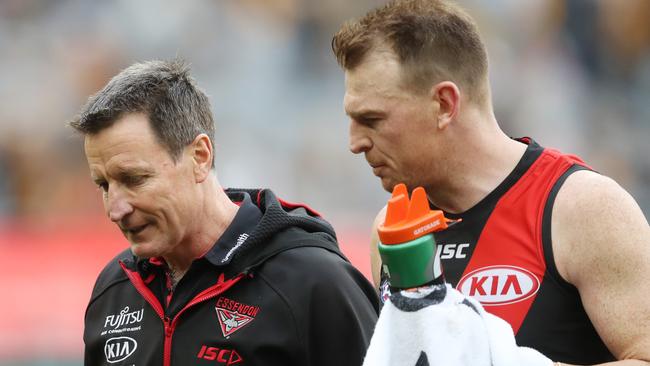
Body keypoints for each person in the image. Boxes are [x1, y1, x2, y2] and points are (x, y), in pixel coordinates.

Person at [331, 0, 650, 364]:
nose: (354, 143)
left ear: (444, 104)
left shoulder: (581, 207)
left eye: (372, 119)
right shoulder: (390, 231)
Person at [71, 60, 379, 366]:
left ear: (200, 157)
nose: (115, 209)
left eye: (134, 179)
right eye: (104, 185)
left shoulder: (314, 283)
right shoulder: (114, 290)